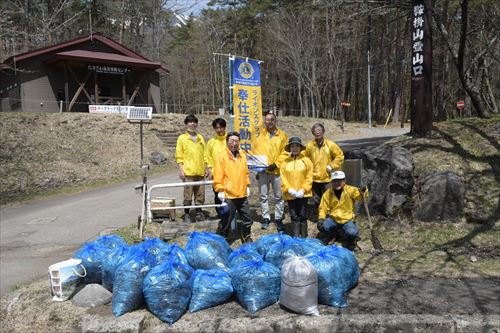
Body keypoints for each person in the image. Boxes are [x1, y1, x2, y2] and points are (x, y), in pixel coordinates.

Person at [213, 132, 253, 243]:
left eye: (236, 141)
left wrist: (247, 185)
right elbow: (218, 175)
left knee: (247, 219)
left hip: (242, 194)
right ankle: (223, 239)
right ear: (227, 142)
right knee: (226, 220)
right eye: (232, 141)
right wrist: (220, 190)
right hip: (229, 195)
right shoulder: (221, 157)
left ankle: (246, 236)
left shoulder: (242, 155)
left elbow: (246, 173)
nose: (234, 143)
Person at [253, 111, 288, 231]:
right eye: (267, 119)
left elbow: (286, 152)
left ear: (275, 121)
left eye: (271, 119)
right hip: (263, 171)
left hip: (277, 171)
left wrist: (276, 164)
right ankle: (266, 218)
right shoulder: (259, 135)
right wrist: (257, 169)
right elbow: (255, 152)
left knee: (278, 197)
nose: (269, 122)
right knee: (263, 196)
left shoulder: (282, 136)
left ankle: (278, 219)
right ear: (264, 121)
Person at [317, 171, 368, 250]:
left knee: (352, 232)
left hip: (347, 219)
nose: (337, 183)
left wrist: (364, 191)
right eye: (334, 181)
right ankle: (334, 235)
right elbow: (323, 207)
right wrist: (321, 218)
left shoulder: (350, 190)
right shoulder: (328, 193)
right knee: (323, 226)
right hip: (333, 218)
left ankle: (350, 240)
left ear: (344, 181)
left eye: (339, 181)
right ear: (331, 182)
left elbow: (360, 197)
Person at [175, 114, 209, 223]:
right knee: (188, 194)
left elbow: (205, 154)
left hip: (200, 171)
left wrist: (207, 168)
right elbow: (179, 155)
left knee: (200, 194)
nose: (192, 123)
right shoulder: (182, 138)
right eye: (190, 122)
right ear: (186, 124)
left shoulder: (200, 137)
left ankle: (199, 212)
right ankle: (187, 214)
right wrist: (181, 169)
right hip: (188, 172)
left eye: (194, 122)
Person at [305, 123, 344, 214]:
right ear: (313, 133)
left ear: (323, 132)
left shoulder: (331, 144)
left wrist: (332, 165)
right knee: (317, 198)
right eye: (315, 131)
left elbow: (340, 156)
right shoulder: (309, 146)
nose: (317, 132)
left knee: (330, 196)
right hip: (314, 177)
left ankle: (332, 214)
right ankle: (320, 214)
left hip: (328, 177)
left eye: (319, 130)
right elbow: (304, 158)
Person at [280, 137, 313, 237]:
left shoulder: (306, 161)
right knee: (293, 215)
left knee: (302, 215)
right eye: (292, 146)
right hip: (290, 194)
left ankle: (303, 236)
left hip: (304, 193)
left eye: (297, 146)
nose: (295, 148)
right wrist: (289, 189)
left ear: (300, 148)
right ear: (290, 148)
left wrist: (303, 189)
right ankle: (295, 236)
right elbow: (283, 177)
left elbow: (309, 176)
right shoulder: (285, 162)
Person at [205, 118, 228, 219]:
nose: (219, 130)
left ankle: (229, 213)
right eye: (217, 128)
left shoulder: (230, 140)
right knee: (217, 194)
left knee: (229, 194)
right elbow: (207, 157)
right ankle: (220, 214)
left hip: (229, 173)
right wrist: (209, 170)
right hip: (216, 173)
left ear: (224, 127)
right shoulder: (211, 142)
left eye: (221, 127)